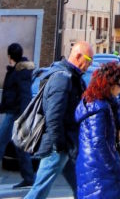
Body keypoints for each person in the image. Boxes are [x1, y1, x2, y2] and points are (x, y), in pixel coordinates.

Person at [25, 40, 94, 199]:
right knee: (39, 191)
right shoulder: (62, 78)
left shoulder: (73, 77)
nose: (90, 65)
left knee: (83, 187)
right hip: (58, 147)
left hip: (67, 145)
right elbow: (54, 116)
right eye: (89, 60)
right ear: (78, 56)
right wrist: (59, 145)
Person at [74, 62, 120, 199]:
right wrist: (112, 167)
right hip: (99, 171)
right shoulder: (99, 109)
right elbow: (98, 143)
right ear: (109, 84)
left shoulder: (102, 103)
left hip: (93, 168)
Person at [0, 42, 36, 188]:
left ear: (10, 56)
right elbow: (12, 94)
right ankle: (28, 178)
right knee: (20, 148)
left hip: (15, 114)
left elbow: (24, 94)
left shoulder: (19, 72)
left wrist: (22, 115)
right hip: (14, 112)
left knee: (1, 143)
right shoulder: (18, 70)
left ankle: (29, 178)